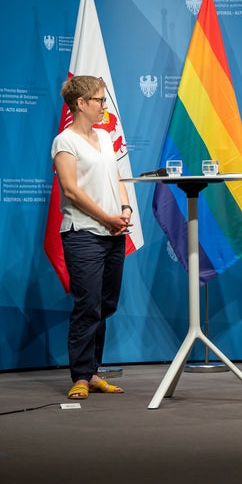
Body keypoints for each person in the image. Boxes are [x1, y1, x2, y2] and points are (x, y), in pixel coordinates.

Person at [51, 75, 131, 399]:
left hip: (113, 233)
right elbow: (70, 190)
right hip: (84, 234)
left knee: (106, 305)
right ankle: (81, 376)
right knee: (88, 306)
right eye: (99, 100)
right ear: (81, 103)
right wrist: (106, 218)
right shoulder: (65, 142)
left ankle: (93, 371)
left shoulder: (105, 136)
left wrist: (124, 209)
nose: (104, 106)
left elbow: (117, 178)